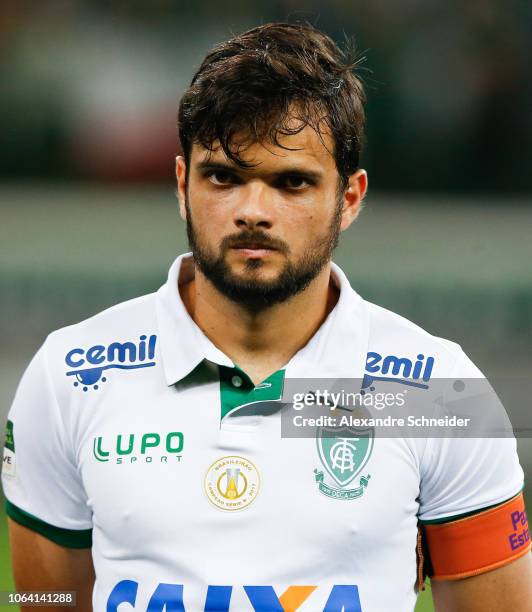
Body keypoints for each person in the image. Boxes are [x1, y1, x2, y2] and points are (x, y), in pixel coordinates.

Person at [2, 22, 531, 612]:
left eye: (292, 183)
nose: (254, 211)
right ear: (182, 185)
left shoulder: (436, 392)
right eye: (224, 176)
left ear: (348, 199)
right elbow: (45, 599)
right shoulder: (70, 377)